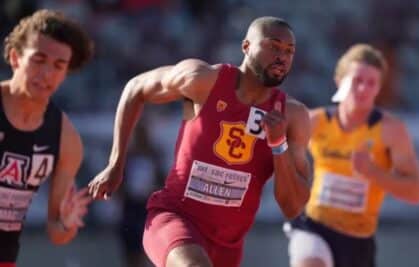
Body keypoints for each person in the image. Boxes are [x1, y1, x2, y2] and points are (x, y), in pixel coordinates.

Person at [88, 16, 311, 267]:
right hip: (175, 218)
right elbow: (135, 88)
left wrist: (278, 144)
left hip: (228, 245)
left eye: (289, 51)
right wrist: (115, 163)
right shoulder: (203, 80)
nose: (282, 56)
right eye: (273, 46)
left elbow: (294, 207)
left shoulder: (293, 116)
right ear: (246, 46)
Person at [284, 44, 419, 267]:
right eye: (357, 80)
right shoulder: (317, 121)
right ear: (340, 81)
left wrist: (373, 172)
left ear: (379, 88)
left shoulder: (391, 131)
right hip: (314, 227)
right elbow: (273, 146)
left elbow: (416, 193)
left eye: (371, 83)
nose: (363, 89)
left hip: (358, 241)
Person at [0, 9, 94, 266]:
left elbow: (56, 232)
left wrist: (67, 221)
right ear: (15, 58)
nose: (47, 73)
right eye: (38, 60)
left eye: (58, 66)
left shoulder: (66, 139)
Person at [119, 120, 165, 267]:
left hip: (147, 206)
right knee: (131, 249)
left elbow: (162, 180)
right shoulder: (128, 156)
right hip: (131, 206)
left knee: (148, 247)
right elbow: (120, 182)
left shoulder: (154, 155)